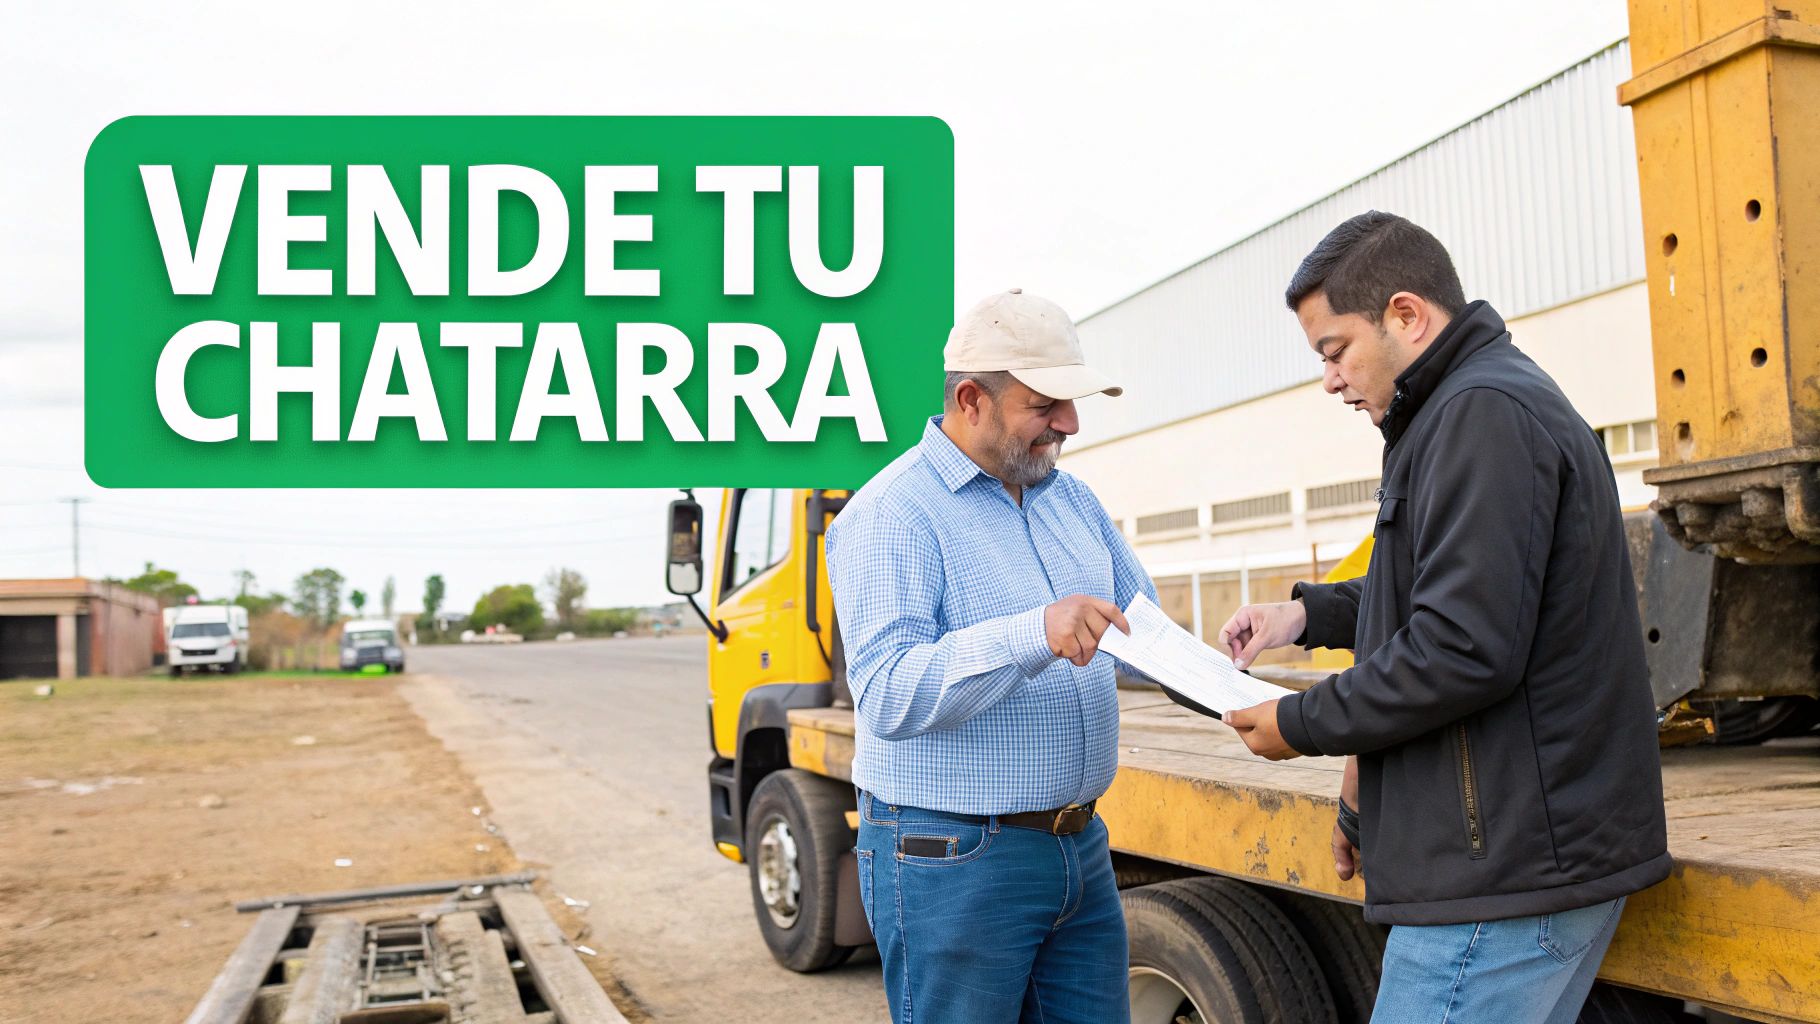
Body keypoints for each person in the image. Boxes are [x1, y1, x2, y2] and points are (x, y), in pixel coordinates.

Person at [1218, 212, 1671, 1023]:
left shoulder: (1483, 415)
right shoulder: (1454, 412)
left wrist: (1302, 720)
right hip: (1506, 861)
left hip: (1500, 877)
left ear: (1406, 315)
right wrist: (1304, 615)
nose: (1329, 379)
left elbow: (1463, 646)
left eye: (1334, 350)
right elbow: (1442, 594)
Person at [825, 288, 1156, 1024]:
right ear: (971, 399)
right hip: (953, 862)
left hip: (1079, 847)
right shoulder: (892, 515)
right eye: (1046, 405)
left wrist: (1234, 672)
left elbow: (1143, 632)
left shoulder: (1072, 501)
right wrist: (1032, 632)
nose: (1069, 424)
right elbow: (886, 693)